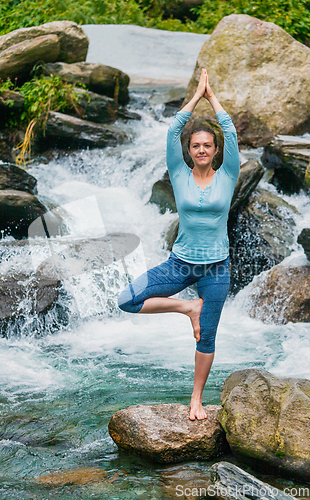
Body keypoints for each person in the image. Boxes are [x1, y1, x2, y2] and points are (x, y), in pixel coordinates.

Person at [118, 68, 240, 420]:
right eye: (196, 145)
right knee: (126, 299)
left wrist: (212, 96)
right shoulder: (179, 173)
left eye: (207, 145)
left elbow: (229, 130)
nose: (202, 149)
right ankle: (188, 309)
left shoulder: (228, 174)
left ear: (216, 151)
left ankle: (196, 400)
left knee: (208, 339)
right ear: (189, 150)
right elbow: (173, 129)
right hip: (180, 263)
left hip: (217, 267)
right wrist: (195, 97)